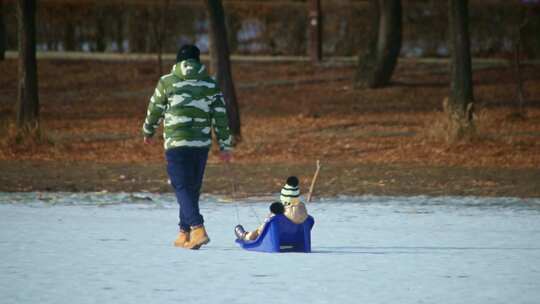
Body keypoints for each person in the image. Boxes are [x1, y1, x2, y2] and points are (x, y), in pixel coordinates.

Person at [142, 44, 233, 250]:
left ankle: (197, 228)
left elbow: (154, 108)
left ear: (178, 61)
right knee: (191, 187)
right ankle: (185, 234)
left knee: (181, 185)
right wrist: (225, 146)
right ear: (197, 62)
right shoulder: (210, 84)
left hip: (177, 143)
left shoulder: (167, 82)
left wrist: (149, 131)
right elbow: (220, 116)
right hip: (200, 144)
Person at [234, 176, 308, 241]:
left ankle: (246, 236)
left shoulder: (278, 214)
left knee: (261, 228)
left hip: (276, 238)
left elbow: (263, 229)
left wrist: (255, 233)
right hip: (297, 239)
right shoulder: (303, 211)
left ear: (283, 197)